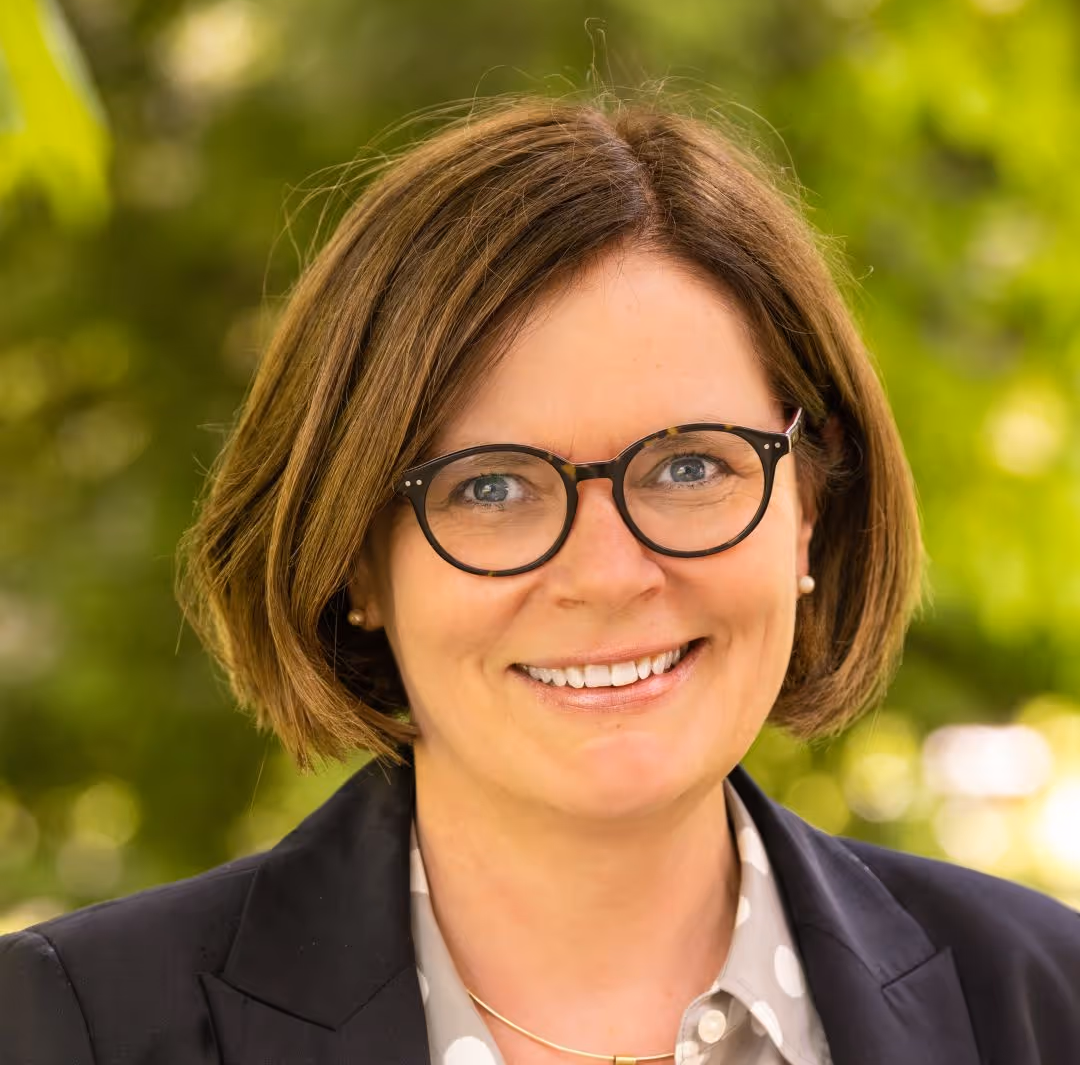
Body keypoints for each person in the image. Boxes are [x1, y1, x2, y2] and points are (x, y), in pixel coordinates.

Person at [1, 92, 1078, 1065]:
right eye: (491, 487)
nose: (607, 575)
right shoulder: (73, 1030)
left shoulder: (1047, 1003)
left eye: (690, 468)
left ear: (808, 508)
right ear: (355, 559)